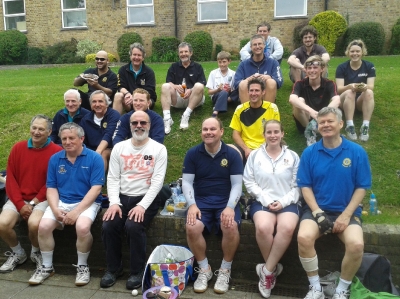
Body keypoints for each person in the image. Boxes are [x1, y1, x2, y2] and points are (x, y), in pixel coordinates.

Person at [296, 107, 372, 299]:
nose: (326, 125)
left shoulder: (357, 152)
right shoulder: (309, 152)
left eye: (330, 121)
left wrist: (346, 216)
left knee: (356, 245)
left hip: (346, 210)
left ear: (340, 124)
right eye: (322, 122)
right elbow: (305, 187)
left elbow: (362, 187)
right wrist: (318, 213)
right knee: (304, 238)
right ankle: (315, 288)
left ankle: (341, 289)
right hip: (316, 210)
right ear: (317, 127)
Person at [28, 123, 104, 286]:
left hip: (87, 202)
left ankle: (83, 266)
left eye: (71, 138)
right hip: (62, 201)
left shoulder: (95, 158)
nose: (67, 142)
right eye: (64, 139)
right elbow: (52, 187)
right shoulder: (55, 159)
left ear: (81, 138)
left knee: (82, 227)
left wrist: (76, 212)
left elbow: (96, 189)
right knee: (43, 226)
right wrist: (55, 209)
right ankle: (47, 267)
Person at [101, 111, 167, 290]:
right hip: (122, 197)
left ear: (149, 125)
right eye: (135, 123)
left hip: (147, 198)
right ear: (129, 126)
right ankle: (114, 269)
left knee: (134, 226)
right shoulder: (119, 148)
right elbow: (113, 178)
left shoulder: (158, 149)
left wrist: (141, 206)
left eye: (143, 122)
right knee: (109, 225)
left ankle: (137, 271)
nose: (139, 125)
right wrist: (114, 202)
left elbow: (157, 182)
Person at [182, 117, 243, 294]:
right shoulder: (192, 153)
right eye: (205, 129)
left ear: (221, 132)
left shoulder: (232, 154)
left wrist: (230, 206)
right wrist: (192, 205)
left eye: (213, 129)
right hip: (201, 201)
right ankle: (205, 270)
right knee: (192, 227)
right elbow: (186, 183)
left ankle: (224, 270)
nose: (208, 132)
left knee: (230, 226)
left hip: (226, 201)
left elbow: (237, 185)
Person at [243, 120, 300, 298]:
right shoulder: (254, 156)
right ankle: (274, 268)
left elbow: (298, 185)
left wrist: (283, 202)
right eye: (269, 132)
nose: (273, 135)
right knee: (263, 227)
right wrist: (267, 200)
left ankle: (266, 272)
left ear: (283, 133)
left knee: (287, 228)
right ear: (264, 135)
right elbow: (249, 181)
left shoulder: (293, 156)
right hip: (262, 201)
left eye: (276, 132)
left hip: (288, 202)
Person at [0, 115, 61, 273]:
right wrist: (20, 204)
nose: (36, 132)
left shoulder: (56, 152)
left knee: (34, 224)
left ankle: (36, 252)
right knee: (2, 224)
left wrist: (32, 203)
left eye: (41, 129)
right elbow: (11, 179)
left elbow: (51, 182)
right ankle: (18, 253)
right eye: (34, 128)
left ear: (49, 131)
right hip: (18, 198)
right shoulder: (18, 148)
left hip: (42, 198)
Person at [289, 55, 340, 146]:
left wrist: (322, 114)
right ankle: (310, 133)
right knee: (299, 100)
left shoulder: (329, 83)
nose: (312, 70)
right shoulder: (300, 84)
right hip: (304, 121)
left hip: (321, 120)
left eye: (315, 67)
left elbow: (337, 99)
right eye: (309, 68)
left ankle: (317, 130)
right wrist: (311, 111)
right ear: (306, 70)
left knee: (335, 108)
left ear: (322, 69)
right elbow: (292, 98)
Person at [230, 78, 280, 164]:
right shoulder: (240, 109)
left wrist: (263, 150)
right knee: (229, 151)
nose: (253, 93)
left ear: (263, 92)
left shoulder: (272, 108)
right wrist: (246, 149)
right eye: (251, 90)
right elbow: (235, 134)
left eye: (257, 90)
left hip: (266, 147)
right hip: (245, 148)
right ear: (248, 92)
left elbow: (275, 133)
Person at [161, 42, 206, 134]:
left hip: (194, 99)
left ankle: (186, 115)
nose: (183, 54)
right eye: (181, 52)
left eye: (186, 51)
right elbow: (168, 81)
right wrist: (175, 86)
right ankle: (167, 118)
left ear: (191, 53)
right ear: (178, 54)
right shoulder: (174, 66)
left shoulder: (198, 67)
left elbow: (203, 83)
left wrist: (191, 89)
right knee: (165, 86)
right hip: (177, 99)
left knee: (198, 86)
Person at [335, 39, 376, 142]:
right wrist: (349, 86)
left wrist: (364, 87)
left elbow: (371, 86)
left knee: (369, 92)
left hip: (360, 101)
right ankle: (349, 125)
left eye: (357, 51)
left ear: (362, 52)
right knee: (350, 92)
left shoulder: (369, 66)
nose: (355, 54)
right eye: (352, 51)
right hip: (345, 99)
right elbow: (339, 90)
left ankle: (365, 126)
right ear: (348, 52)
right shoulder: (341, 67)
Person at [79, 90, 120, 173]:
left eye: (100, 101)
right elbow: (82, 138)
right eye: (94, 102)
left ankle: (98, 181)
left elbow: (108, 135)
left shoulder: (114, 115)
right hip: (92, 150)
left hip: (110, 148)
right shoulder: (86, 119)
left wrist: (97, 152)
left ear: (106, 103)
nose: (97, 104)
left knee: (102, 154)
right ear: (90, 105)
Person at [234, 34, 283, 103]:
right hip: (249, 94)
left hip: (265, 94)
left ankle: (267, 111)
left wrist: (269, 77)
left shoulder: (273, 62)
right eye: (254, 44)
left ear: (264, 45)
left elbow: (279, 81)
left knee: (271, 81)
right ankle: (247, 112)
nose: (257, 47)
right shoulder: (243, 64)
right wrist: (248, 80)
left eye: (259, 44)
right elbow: (236, 83)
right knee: (243, 83)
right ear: (251, 47)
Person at [113, 43, 157, 114]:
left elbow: (150, 91)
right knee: (118, 95)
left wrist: (136, 98)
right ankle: (114, 122)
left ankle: (143, 118)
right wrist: (127, 94)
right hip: (129, 99)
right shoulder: (123, 70)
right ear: (130, 56)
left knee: (147, 101)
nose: (136, 57)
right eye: (134, 54)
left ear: (143, 58)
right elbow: (120, 86)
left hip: (145, 99)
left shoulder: (149, 72)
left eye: (139, 55)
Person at [206, 51, 238, 117]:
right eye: (220, 62)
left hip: (229, 96)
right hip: (217, 95)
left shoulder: (233, 73)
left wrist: (230, 90)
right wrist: (218, 90)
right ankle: (215, 112)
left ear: (229, 61)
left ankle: (221, 102)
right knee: (223, 92)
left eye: (224, 62)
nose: (222, 64)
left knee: (239, 90)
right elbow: (209, 92)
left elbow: (234, 90)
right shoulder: (213, 73)